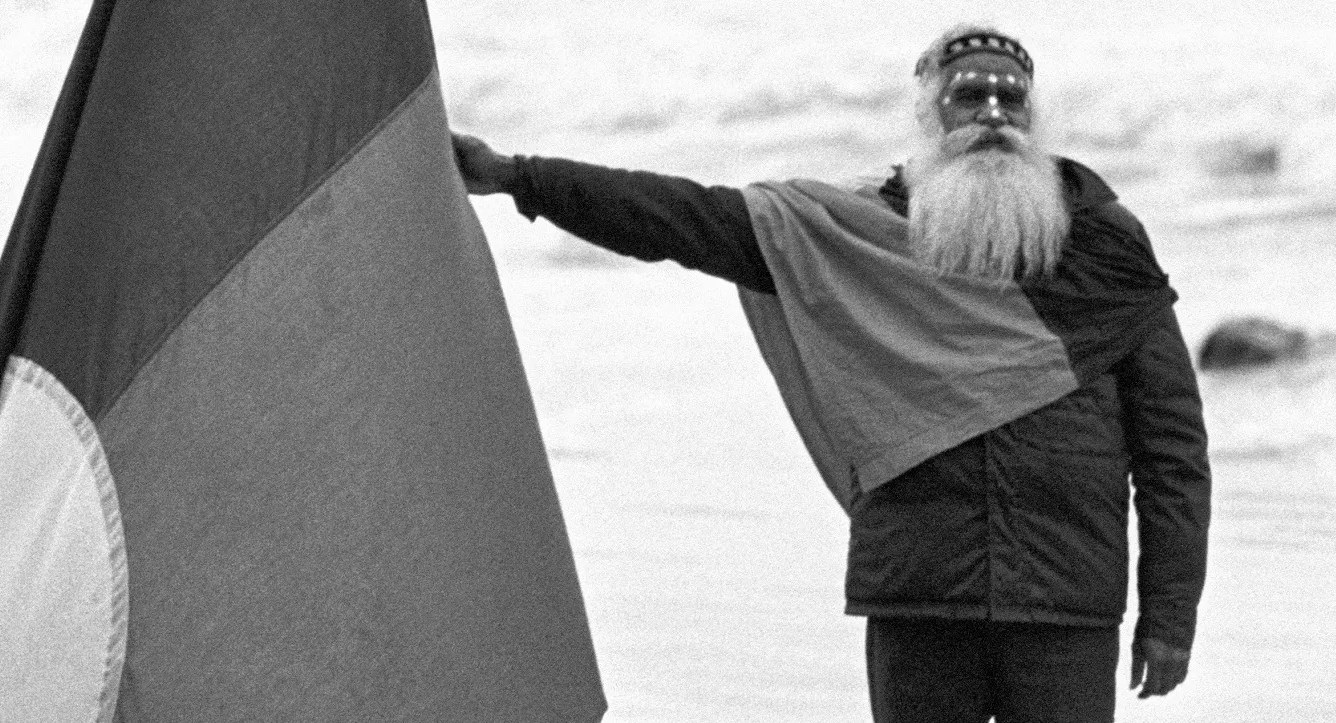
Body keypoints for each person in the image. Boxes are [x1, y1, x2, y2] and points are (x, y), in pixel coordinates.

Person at [452, 24, 1211, 723]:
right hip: (920, 593)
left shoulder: (1105, 247)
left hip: (1066, 602)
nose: (991, 113)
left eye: (1009, 97)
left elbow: (1171, 450)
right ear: (930, 117)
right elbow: (682, 218)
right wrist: (523, 177)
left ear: (1035, 117)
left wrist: (1169, 615)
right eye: (968, 96)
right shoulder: (852, 235)